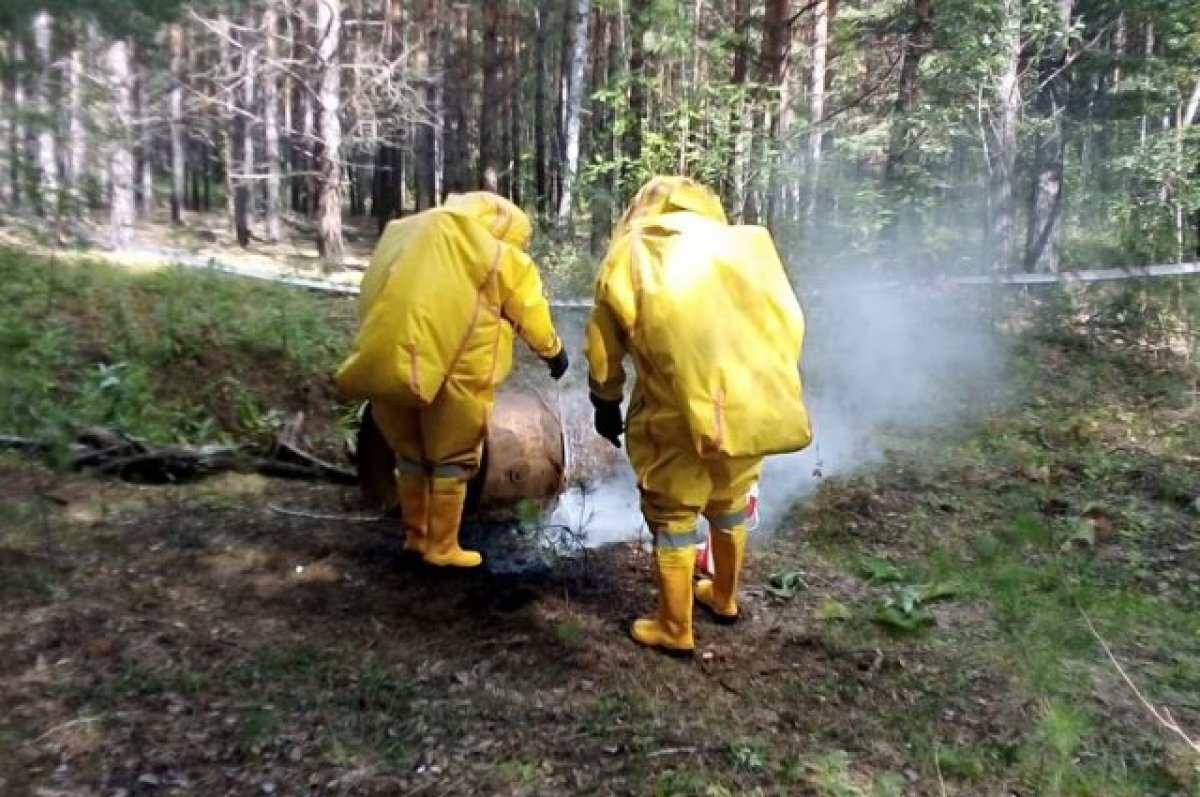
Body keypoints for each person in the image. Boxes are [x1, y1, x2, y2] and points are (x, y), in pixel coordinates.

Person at [585, 176, 812, 655]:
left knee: (675, 516)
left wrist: (606, 401)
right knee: (730, 501)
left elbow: (604, 347)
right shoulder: (746, 248)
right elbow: (790, 324)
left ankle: (674, 627)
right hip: (745, 405)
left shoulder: (632, 252)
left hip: (674, 414)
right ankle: (724, 597)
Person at [336, 192, 568, 568]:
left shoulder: (404, 233)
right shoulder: (494, 251)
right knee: (452, 458)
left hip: (392, 360)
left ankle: (415, 535)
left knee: (410, 453)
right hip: (456, 372)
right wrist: (553, 351)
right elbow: (528, 308)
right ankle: (442, 546)